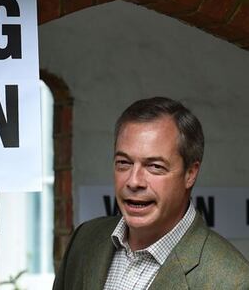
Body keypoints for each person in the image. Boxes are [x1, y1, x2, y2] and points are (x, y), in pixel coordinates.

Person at [53, 97, 249, 290]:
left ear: (190, 173)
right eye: (124, 163)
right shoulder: (83, 240)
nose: (134, 181)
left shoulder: (232, 281)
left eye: (155, 166)